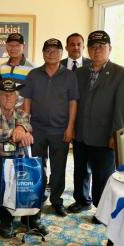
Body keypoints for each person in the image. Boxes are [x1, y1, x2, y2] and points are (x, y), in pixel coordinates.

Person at [68, 31, 124, 220]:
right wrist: (72, 126)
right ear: (88, 50)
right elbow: (74, 102)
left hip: (105, 135)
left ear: (110, 48)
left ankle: (102, 210)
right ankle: (82, 200)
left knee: (103, 176)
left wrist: (115, 135)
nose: (97, 50)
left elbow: (120, 108)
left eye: (101, 46)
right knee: (80, 170)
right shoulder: (81, 72)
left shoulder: (119, 73)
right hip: (81, 133)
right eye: (93, 47)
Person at [0, 78, 48, 238]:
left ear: (16, 98)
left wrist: (22, 128)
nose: (7, 98)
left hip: (17, 157)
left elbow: (27, 124)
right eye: (4, 95)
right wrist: (17, 133)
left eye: (11, 95)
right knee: (5, 176)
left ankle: (33, 218)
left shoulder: (22, 114)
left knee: (39, 174)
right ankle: (7, 221)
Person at [22, 38, 79, 217]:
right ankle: (37, 197)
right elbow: (27, 101)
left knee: (59, 167)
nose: (52, 53)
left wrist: (70, 127)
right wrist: (26, 126)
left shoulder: (70, 76)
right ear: (43, 53)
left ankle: (56, 200)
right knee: (37, 165)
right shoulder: (33, 74)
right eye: (48, 50)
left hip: (60, 129)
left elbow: (73, 103)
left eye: (56, 50)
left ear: (62, 53)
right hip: (37, 128)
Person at [0, 33, 34, 107]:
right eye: (10, 45)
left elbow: (33, 94)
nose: (13, 48)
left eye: (17, 45)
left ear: (23, 46)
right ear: (6, 46)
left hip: (23, 113)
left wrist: (20, 111)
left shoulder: (32, 68)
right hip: (5, 111)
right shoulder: (3, 67)